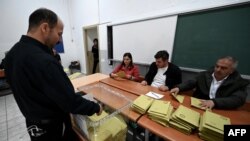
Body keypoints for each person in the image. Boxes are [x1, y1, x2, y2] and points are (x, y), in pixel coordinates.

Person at [4, 8, 102, 141]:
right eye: (59, 34)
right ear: (44, 28)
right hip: (53, 128)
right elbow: (70, 102)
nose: (60, 40)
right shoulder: (45, 61)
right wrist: (95, 107)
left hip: (33, 125)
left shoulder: (11, 55)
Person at [170, 56, 250, 109]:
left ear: (231, 71)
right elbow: (191, 82)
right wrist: (179, 87)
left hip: (220, 110)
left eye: (223, 68)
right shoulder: (204, 75)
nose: (218, 69)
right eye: (217, 66)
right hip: (199, 107)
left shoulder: (239, 83)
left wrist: (214, 102)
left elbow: (238, 99)